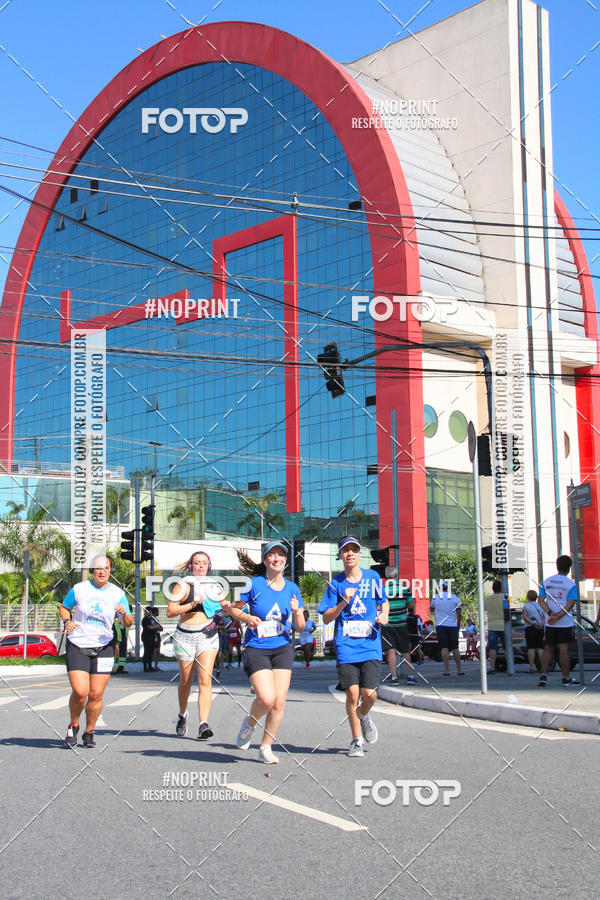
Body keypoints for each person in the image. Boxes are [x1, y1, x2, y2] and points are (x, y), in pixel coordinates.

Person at [230, 541, 304, 764]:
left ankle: (266, 747)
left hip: (282, 647)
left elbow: (299, 626)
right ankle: (250, 723)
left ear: (286, 561)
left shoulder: (292, 588)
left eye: (281, 555)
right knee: (266, 697)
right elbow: (233, 609)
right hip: (257, 648)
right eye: (272, 555)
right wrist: (247, 618)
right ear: (265, 560)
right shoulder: (252, 584)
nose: (277, 558)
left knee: (279, 702)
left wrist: (295, 611)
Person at [318, 535, 389, 757]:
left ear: (359, 554)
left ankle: (364, 714)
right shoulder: (336, 583)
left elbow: (383, 601)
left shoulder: (372, 577)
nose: (350, 553)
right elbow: (327, 618)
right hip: (346, 645)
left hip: (370, 643)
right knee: (352, 692)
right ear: (340, 555)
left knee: (371, 694)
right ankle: (356, 740)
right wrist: (343, 602)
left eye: (354, 549)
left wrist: (384, 615)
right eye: (345, 550)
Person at [60, 554, 132, 749]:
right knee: (80, 691)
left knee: (96, 694)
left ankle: (89, 731)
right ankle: (74, 724)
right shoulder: (79, 589)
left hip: (104, 647)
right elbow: (64, 607)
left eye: (106, 568)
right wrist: (67, 621)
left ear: (110, 571)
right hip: (78, 644)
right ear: (93, 570)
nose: (102, 571)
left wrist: (124, 614)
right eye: (98, 568)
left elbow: (128, 622)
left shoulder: (117, 593)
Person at [166, 550, 227, 740]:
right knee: (185, 680)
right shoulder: (183, 585)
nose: (200, 566)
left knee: (205, 680)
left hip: (207, 636)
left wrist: (228, 609)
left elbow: (221, 608)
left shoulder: (215, 586)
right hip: (184, 636)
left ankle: (203, 724)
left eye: (204, 563)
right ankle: (183, 714)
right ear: (191, 566)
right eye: (197, 563)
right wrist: (192, 604)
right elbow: (171, 611)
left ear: (209, 566)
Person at [538, 555, 580, 687]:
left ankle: (543, 675)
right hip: (565, 622)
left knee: (548, 647)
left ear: (557, 566)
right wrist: (559, 616)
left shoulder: (547, 582)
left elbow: (540, 600)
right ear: (569, 568)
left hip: (549, 622)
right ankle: (565, 677)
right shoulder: (571, 585)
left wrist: (550, 614)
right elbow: (570, 604)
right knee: (563, 648)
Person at [381, 566, 414, 684]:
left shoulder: (382, 589)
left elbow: (379, 606)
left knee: (391, 651)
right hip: (402, 623)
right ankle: (410, 676)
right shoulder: (404, 588)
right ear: (396, 576)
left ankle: (394, 677)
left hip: (388, 625)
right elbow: (411, 605)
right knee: (405, 651)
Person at [430, 580, 463, 676]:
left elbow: (431, 609)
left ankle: (447, 670)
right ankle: (459, 670)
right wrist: (458, 624)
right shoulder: (454, 598)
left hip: (441, 625)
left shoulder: (435, 598)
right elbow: (459, 614)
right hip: (452, 625)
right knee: (455, 647)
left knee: (444, 647)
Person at [484, 580, 505, 674]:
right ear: (501, 588)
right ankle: (509, 665)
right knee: (506, 646)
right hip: (504, 625)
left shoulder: (487, 598)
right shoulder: (505, 597)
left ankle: (492, 667)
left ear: (492, 588)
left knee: (492, 648)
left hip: (492, 625)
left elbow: (483, 609)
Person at [522, 589, 545, 673]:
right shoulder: (540, 606)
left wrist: (532, 623)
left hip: (530, 628)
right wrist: (541, 624)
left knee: (531, 648)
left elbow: (524, 617)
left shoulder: (526, 606)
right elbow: (544, 618)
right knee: (540, 648)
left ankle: (532, 667)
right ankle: (542, 667)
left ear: (528, 597)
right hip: (540, 628)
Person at [142, 605, 163, 672]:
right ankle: (145, 667)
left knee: (151, 652)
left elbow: (160, 627)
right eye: (147, 611)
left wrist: (156, 626)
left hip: (152, 637)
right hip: (146, 637)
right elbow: (151, 627)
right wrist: (157, 626)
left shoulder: (151, 619)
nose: (149, 613)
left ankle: (150, 666)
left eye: (150, 612)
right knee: (147, 652)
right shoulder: (145, 619)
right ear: (145, 612)